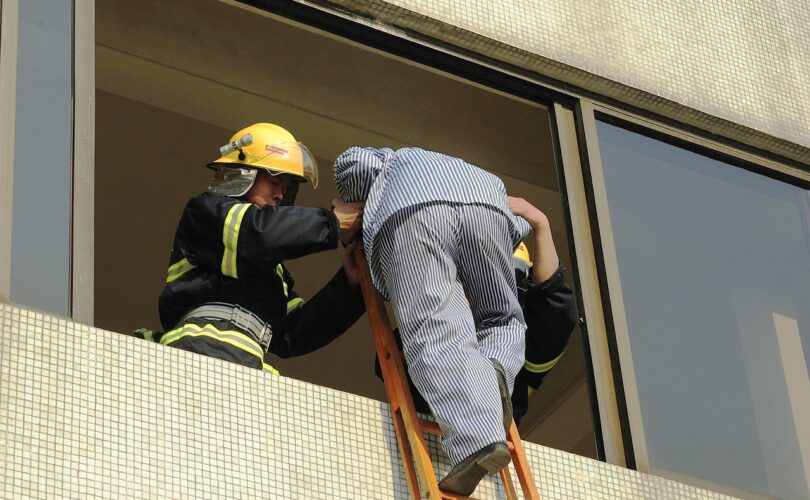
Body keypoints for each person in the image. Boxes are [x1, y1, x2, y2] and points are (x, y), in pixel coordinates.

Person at [333, 146, 529, 496]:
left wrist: (350, 214)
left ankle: (476, 439)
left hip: (413, 211)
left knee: (436, 329)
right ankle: (494, 368)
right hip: (489, 207)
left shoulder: (388, 159)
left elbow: (354, 164)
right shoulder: (464, 166)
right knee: (502, 318)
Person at [156, 123, 365, 374]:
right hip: (199, 352)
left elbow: (293, 332)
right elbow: (255, 235)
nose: (280, 195)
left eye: (286, 189)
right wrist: (331, 222)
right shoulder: (207, 213)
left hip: (248, 365)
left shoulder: (271, 269)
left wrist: (348, 285)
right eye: (274, 182)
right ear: (244, 171)